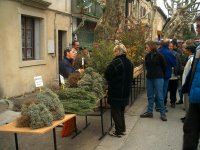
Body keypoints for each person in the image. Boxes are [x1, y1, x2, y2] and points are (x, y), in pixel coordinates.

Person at [105, 42, 133, 137]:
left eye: (115, 51)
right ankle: (122, 129)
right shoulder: (129, 62)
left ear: (118, 51)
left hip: (116, 91)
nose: (114, 53)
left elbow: (107, 74)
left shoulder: (116, 62)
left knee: (115, 111)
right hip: (125, 91)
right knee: (121, 111)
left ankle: (118, 131)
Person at [140, 41, 167, 121]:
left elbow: (164, 66)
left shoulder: (159, 56)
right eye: (145, 47)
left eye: (147, 47)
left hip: (158, 78)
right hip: (150, 78)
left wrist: (160, 74)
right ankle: (149, 112)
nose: (146, 48)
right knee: (150, 96)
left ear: (152, 47)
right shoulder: (147, 56)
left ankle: (163, 113)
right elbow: (147, 66)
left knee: (160, 96)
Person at [182, 44, 200, 150]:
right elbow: (193, 71)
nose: (197, 27)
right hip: (195, 98)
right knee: (189, 130)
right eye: (197, 25)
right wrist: (187, 87)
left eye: (198, 25)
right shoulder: (198, 49)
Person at [157, 39, 176, 111]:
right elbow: (174, 63)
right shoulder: (169, 53)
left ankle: (157, 105)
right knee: (164, 91)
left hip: (157, 74)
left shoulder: (158, 51)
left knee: (158, 90)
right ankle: (161, 106)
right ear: (168, 44)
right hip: (166, 74)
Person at [180, 44, 196, 123]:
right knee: (186, 101)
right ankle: (187, 116)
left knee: (187, 102)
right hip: (186, 82)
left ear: (189, 50)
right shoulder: (190, 58)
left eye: (186, 49)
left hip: (188, 83)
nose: (184, 50)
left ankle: (188, 118)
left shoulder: (192, 59)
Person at [166, 41, 182, 108]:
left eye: (172, 46)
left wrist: (179, 74)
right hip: (167, 74)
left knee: (173, 89)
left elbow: (179, 64)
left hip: (174, 74)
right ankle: (164, 101)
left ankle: (173, 102)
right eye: (169, 46)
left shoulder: (177, 54)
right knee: (166, 89)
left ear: (173, 47)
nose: (170, 47)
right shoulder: (165, 54)